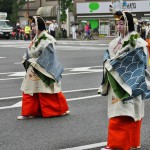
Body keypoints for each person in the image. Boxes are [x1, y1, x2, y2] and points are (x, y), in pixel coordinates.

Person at [99, 10, 150, 150]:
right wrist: (108, 60)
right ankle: (131, 143)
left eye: (122, 23)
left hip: (130, 81)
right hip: (117, 80)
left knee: (125, 111)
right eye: (117, 24)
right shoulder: (115, 42)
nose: (119, 26)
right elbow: (108, 56)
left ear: (129, 25)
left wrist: (115, 62)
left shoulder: (138, 42)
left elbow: (139, 62)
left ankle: (118, 145)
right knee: (124, 110)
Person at [17, 16, 70, 120]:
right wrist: (26, 58)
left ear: (38, 26)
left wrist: (33, 59)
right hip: (34, 67)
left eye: (33, 26)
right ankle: (30, 112)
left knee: (47, 90)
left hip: (43, 68)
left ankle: (58, 110)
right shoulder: (36, 38)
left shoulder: (48, 38)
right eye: (31, 26)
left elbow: (49, 55)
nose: (32, 28)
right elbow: (30, 51)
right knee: (29, 90)